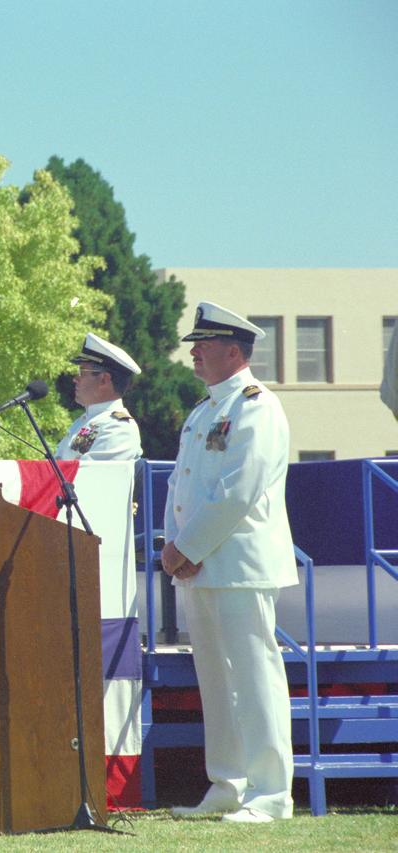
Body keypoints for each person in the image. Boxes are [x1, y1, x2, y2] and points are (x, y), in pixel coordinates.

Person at [162, 301, 297, 824]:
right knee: (216, 680)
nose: (193, 353)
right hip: (200, 566)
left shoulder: (256, 406)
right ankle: (228, 783)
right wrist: (178, 549)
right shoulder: (205, 410)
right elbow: (182, 489)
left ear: (233, 351)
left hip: (239, 565)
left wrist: (185, 549)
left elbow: (237, 490)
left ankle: (270, 795)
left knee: (255, 676)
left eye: (204, 344)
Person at [57, 333, 143, 461]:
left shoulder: (119, 428)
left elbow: (91, 476)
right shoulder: (84, 421)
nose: (75, 379)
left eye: (82, 372)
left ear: (104, 379)